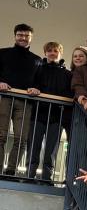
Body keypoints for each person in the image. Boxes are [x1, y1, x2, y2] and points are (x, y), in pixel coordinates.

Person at [27, 42, 74, 182]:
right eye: (49, 51)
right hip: (37, 114)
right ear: (45, 53)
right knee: (33, 146)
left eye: (55, 51)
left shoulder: (67, 74)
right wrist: (33, 88)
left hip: (56, 117)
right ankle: (30, 176)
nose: (52, 53)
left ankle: (47, 179)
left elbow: (70, 92)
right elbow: (30, 84)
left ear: (60, 53)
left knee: (51, 150)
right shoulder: (37, 69)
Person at [0, 23, 42, 176]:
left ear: (31, 38)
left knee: (21, 138)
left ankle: (10, 171)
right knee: (1, 136)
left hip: (25, 101)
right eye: (20, 35)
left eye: (26, 35)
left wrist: (36, 88)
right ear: (15, 36)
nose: (23, 38)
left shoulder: (37, 60)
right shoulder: (2, 53)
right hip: (4, 98)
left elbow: (39, 81)